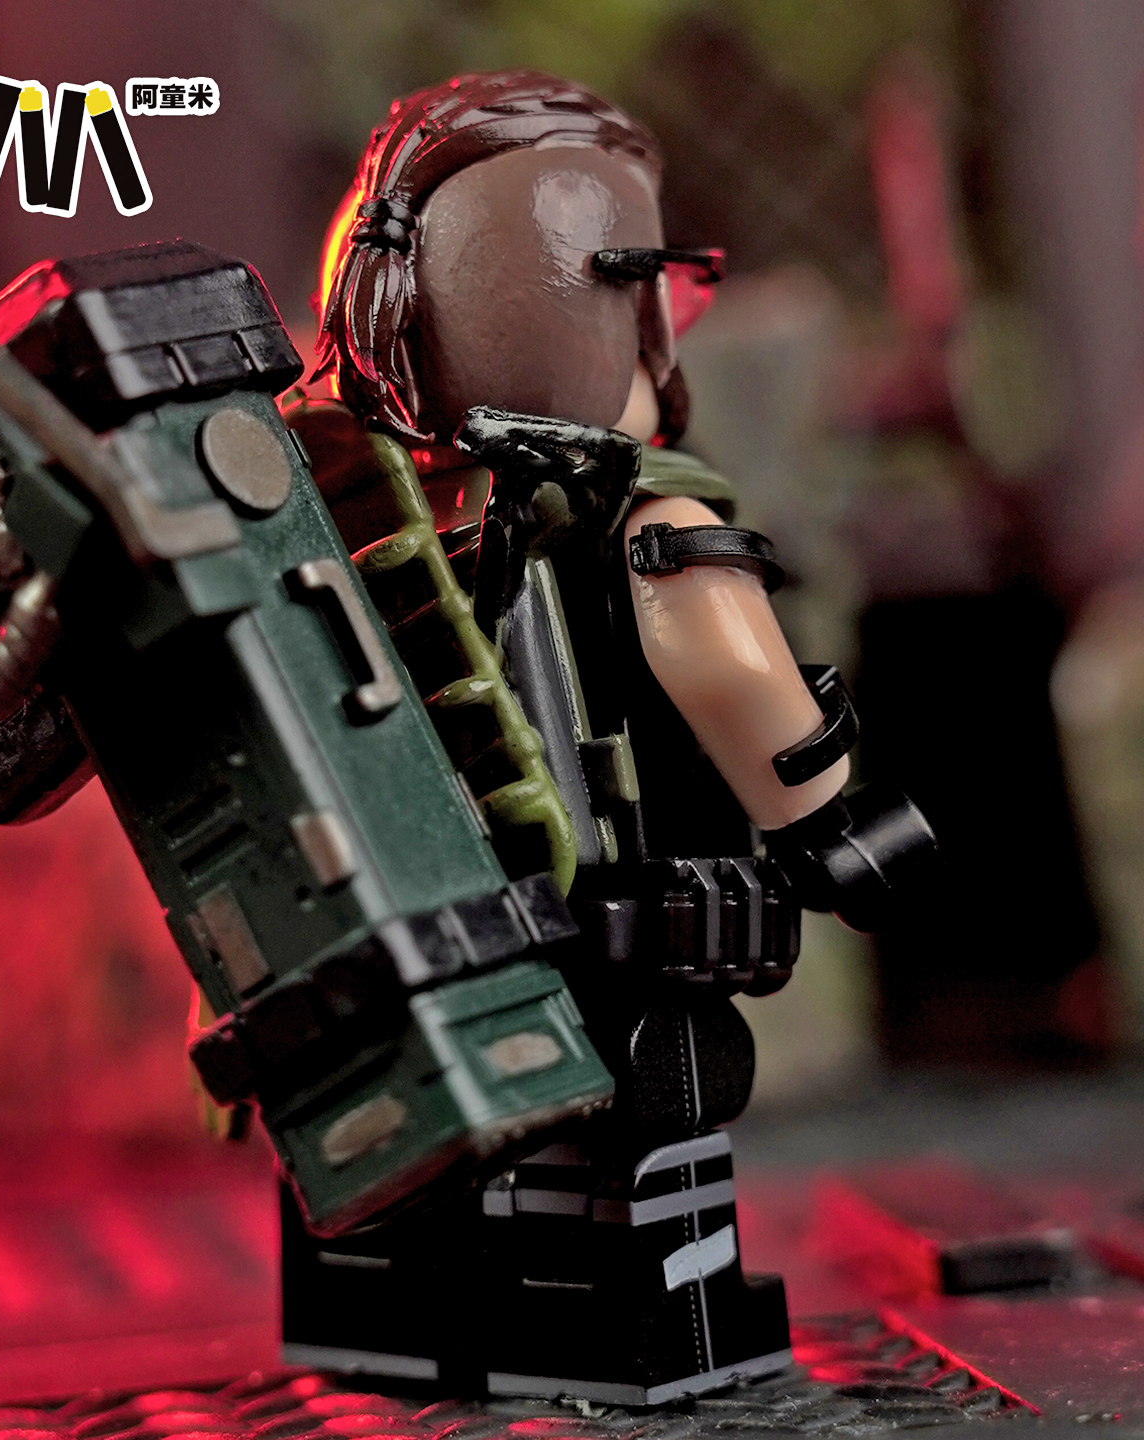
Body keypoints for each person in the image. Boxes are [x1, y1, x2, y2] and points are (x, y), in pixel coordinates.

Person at [281, 69, 936, 1404]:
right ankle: (651, 1325)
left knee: (441, 1134)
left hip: (412, 911)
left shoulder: (362, 509)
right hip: (620, 913)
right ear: (618, 300)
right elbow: (734, 672)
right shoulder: (652, 514)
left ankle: (406, 1319)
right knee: (647, 1136)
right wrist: (845, 833)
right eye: (659, 285)